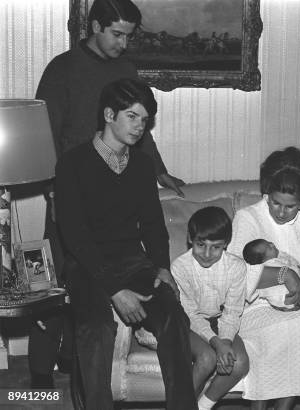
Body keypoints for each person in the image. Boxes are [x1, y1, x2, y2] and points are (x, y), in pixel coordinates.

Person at [30, 0, 185, 388]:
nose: (123, 43)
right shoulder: (62, 69)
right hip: (69, 186)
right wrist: (51, 186)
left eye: (128, 36)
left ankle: (77, 368)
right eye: (116, 34)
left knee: (93, 300)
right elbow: (44, 130)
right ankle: (39, 374)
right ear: (94, 26)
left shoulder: (124, 69)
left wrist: (159, 170)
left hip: (113, 180)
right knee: (62, 285)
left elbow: (140, 129)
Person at [54, 78, 197, 409]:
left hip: (133, 261)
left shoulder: (143, 165)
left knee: (172, 315)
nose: (139, 127)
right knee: (95, 327)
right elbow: (74, 235)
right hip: (86, 265)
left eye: (145, 120)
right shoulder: (72, 164)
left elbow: (152, 225)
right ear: (108, 114)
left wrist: (162, 267)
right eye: (132, 117)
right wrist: (115, 289)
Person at [227, 147, 300, 410]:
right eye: (275, 203)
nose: (280, 212)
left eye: (290, 206)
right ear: (266, 193)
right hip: (255, 307)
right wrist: (283, 274)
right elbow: (236, 275)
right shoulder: (247, 218)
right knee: (281, 331)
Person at [171, 207, 249, 410]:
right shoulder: (180, 267)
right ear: (190, 239)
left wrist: (225, 341)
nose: (206, 254)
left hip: (219, 320)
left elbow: (232, 311)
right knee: (207, 358)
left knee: (239, 363)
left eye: (215, 247)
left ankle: (202, 406)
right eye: (200, 245)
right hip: (187, 322)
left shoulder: (236, 267)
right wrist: (216, 343)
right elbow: (190, 313)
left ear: (226, 245)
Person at [242, 239, 300, 310]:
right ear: (264, 259)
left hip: (276, 298)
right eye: (269, 247)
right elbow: (293, 270)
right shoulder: (273, 262)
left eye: (269, 242)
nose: (272, 244)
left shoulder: (264, 268)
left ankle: (290, 305)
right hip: (286, 293)